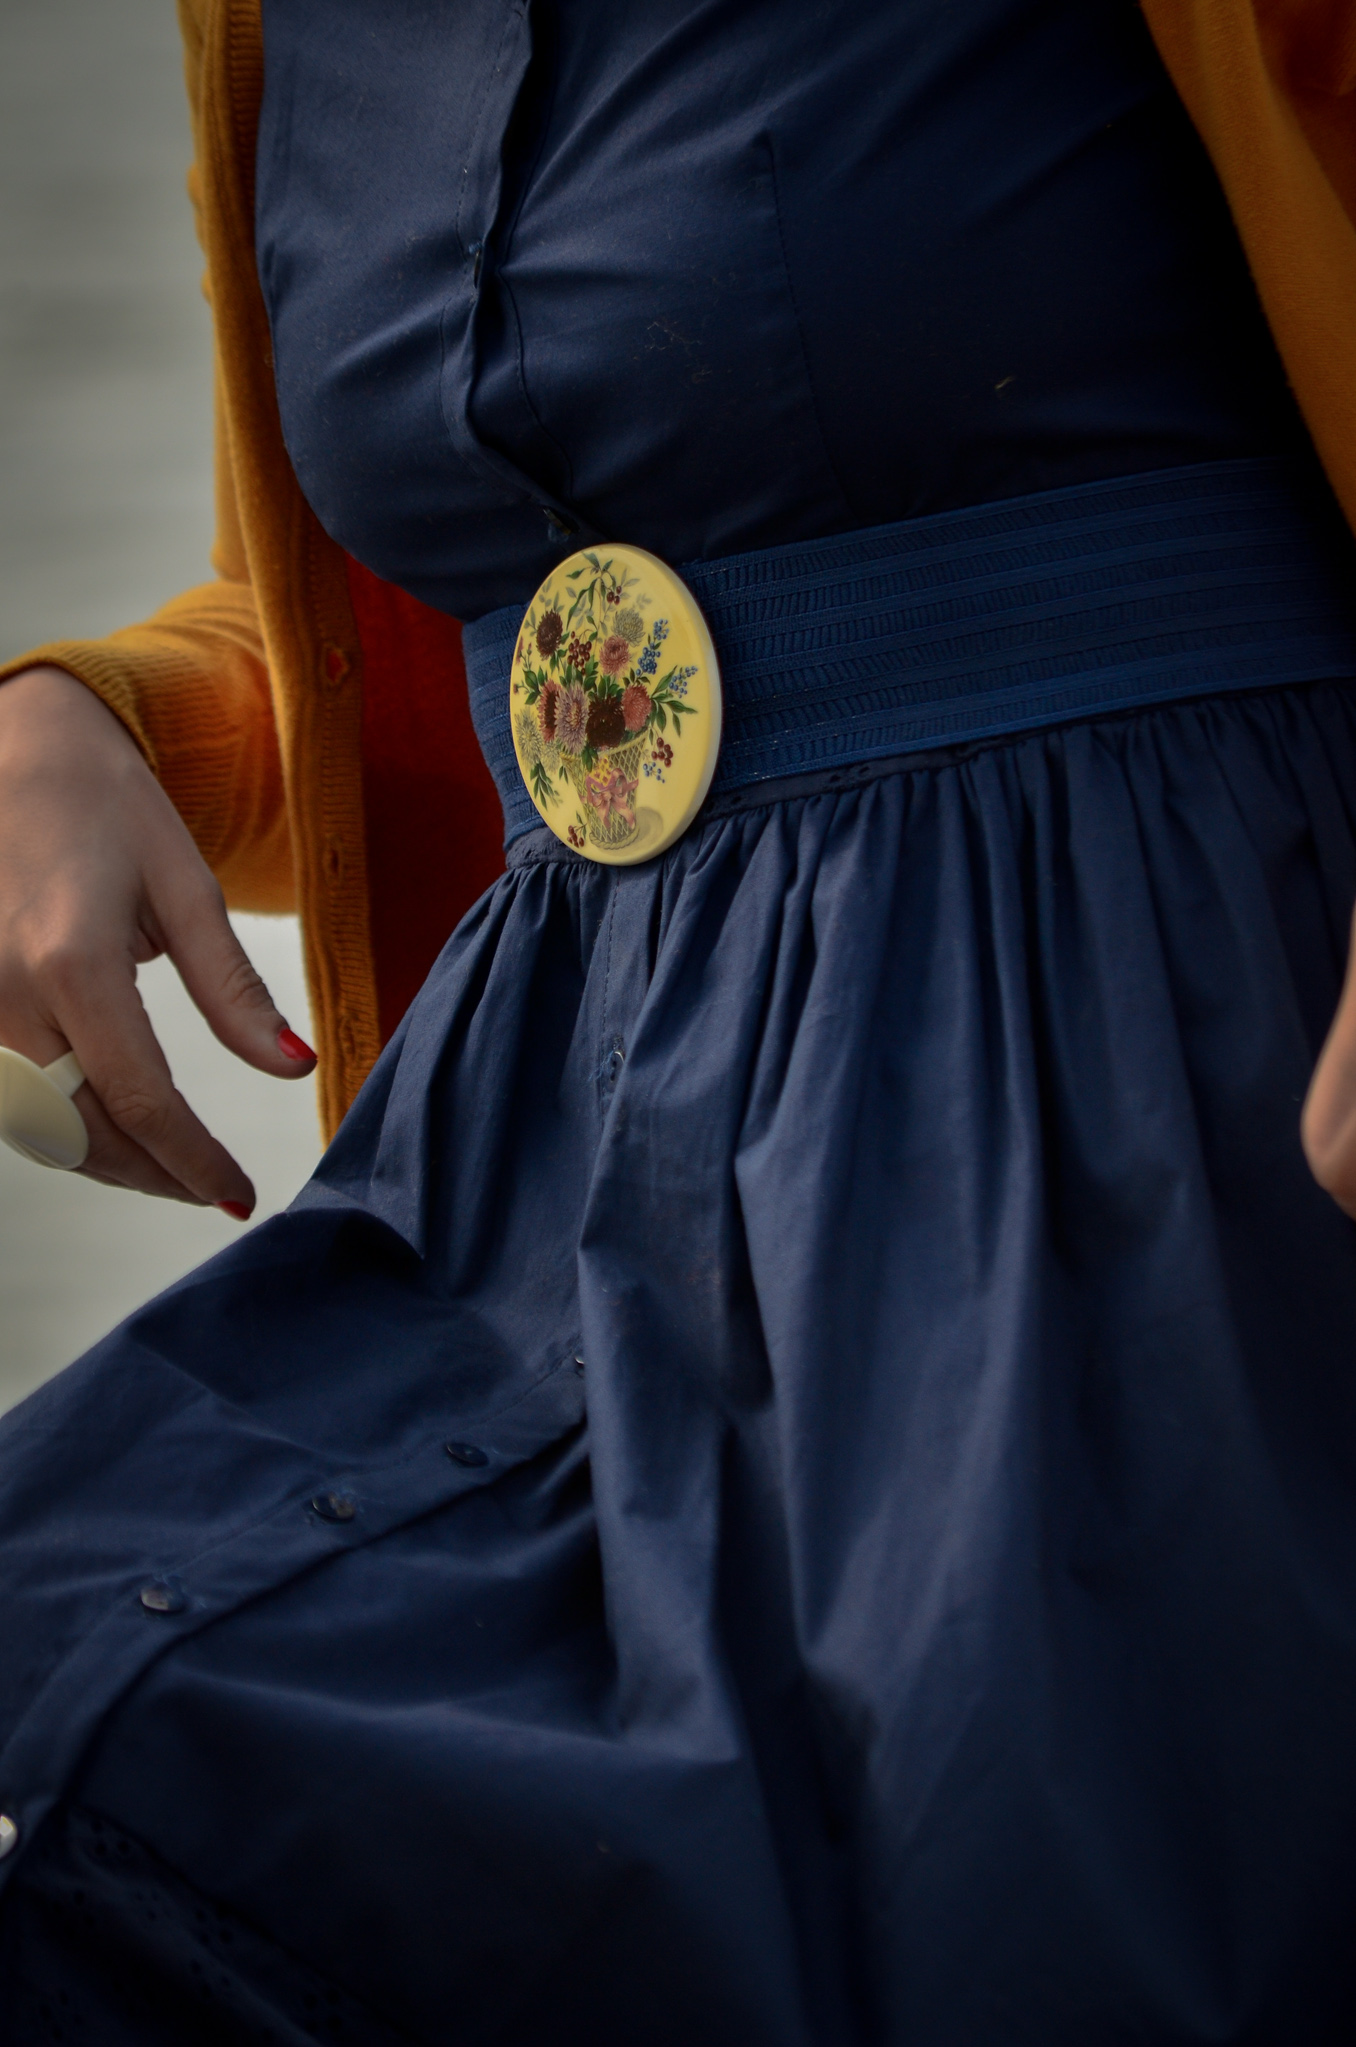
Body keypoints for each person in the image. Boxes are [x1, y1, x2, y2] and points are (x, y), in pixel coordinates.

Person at [3, 0, 1356, 2037]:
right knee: (137, 1768)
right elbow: (504, 618)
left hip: (1150, 1102)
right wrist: (98, 724)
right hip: (558, 1164)